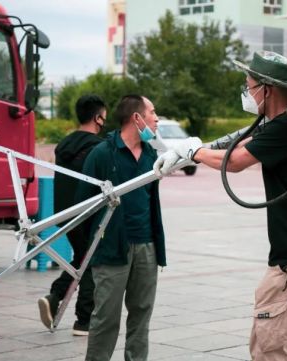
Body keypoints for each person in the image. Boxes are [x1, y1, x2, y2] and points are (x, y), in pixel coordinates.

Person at [154, 51, 287, 361]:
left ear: (266, 89)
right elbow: (245, 145)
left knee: (269, 351)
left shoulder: (285, 128)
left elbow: (237, 161)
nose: (246, 91)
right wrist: (197, 148)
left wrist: (193, 153)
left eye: (249, 84)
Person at [76, 95, 165, 361]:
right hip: (112, 249)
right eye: (152, 112)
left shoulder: (151, 154)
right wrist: (96, 245)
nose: (157, 118)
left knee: (141, 315)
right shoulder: (103, 153)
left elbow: (151, 201)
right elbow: (83, 205)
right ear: (137, 118)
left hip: (146, 246)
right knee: (105, 318)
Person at [37, 94, 107, 336]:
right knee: (90, 261)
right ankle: (83, 320)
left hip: (66, 215)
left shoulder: (64, 144)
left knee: (81, 258)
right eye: (104, 117)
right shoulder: (97, 147)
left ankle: (54, 297)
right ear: (98, 118)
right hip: (87, 213)